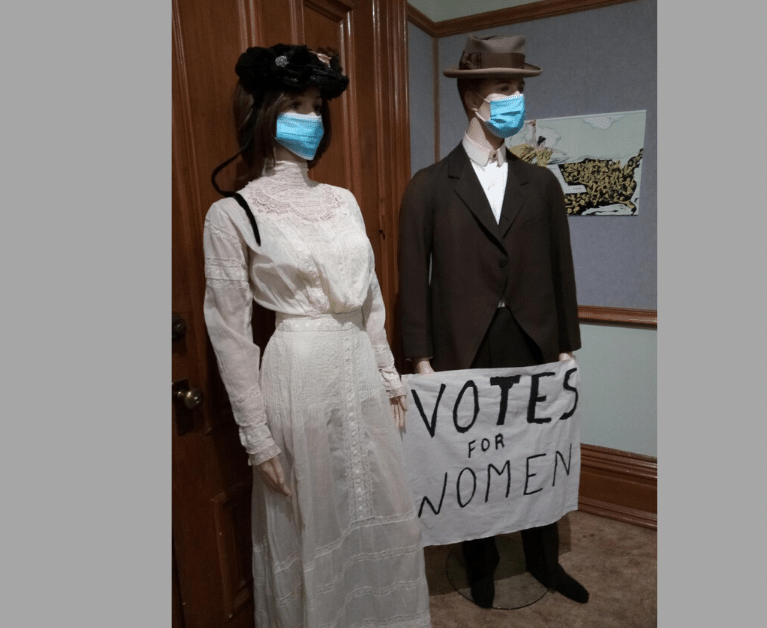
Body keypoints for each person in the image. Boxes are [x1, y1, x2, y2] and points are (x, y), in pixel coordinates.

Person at [202, 44, 431, 628]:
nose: (310, 116)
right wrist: (257, 438)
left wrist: (388, 376)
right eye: (295, 105)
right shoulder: (233, 213)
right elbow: (230, 334)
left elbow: (371, 298)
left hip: (358, 367)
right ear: (261, 113)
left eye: (315, 105)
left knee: (376, 508)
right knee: (312, 523)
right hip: (296, 377)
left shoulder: (343, 200)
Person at [397, 34, 589, 609]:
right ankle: (478, 563)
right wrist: (421, 358)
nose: (516, 100)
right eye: (505, 89)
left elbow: (562, 269)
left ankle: (544, 561)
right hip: (463, 345)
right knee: (473, 459)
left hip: (533, 341)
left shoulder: (543, 185)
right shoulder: (429, 186)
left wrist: (566, 347)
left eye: (520, 89)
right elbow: (414, 277)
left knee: (534, 457)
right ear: (473, 98)